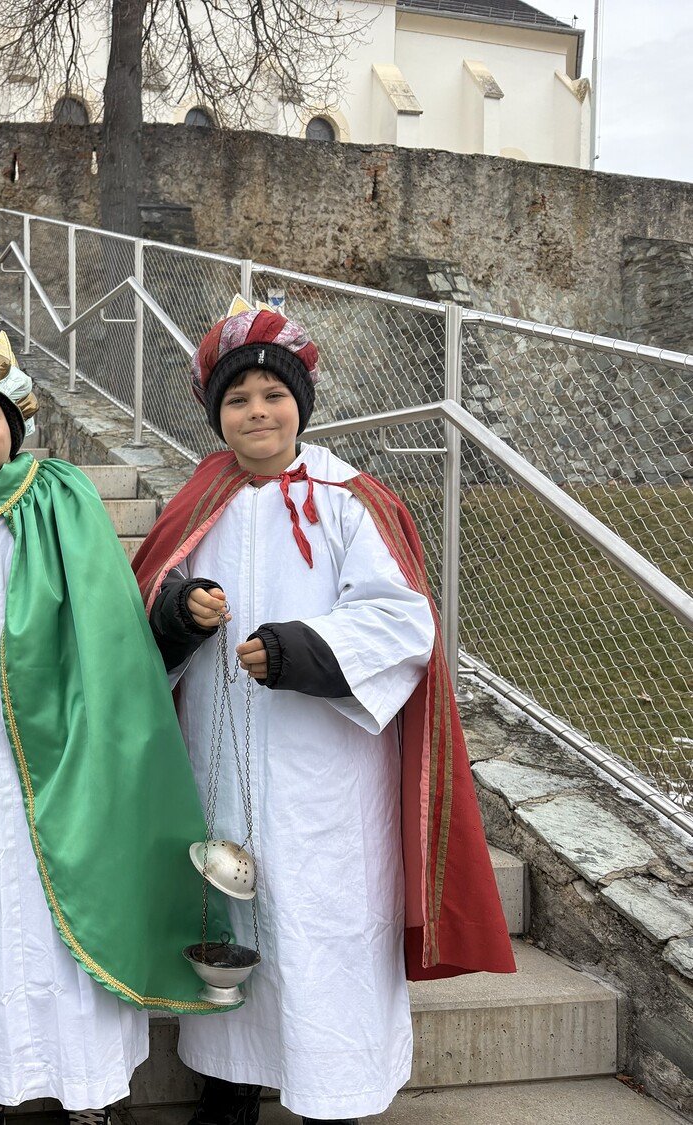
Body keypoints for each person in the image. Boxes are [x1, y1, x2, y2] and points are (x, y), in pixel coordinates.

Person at [131, 298, 516, 1125]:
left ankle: (334, 1088)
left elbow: (402, 621)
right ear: (216, 414)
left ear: (301, 403)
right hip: (220, 755)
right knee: (230, 901)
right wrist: (180, 610)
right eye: (238, 399)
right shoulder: (200, 500)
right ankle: (230, 1078)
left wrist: (300, 649)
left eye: (273, 394)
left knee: (324, 914)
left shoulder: (349, 500)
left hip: (327, 768)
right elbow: (146, 600)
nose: (257, 411)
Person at [0, 330, 231, 1125]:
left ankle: (91, 1091)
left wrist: (104, 738)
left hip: (69, 755)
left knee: (75, 908)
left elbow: (108, 628)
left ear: (15, 423)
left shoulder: (63, 497)